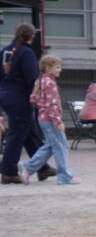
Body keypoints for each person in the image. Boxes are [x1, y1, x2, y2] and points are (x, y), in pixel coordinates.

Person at [0, 23, 55, 184]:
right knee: (16, 135)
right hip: (21, 98)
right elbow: (32, 79)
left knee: (30, 134)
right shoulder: (26, 53)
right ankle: (8, 171)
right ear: (32, 36)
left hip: (5, 95)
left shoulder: (4, 51)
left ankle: (42, 168)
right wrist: (41, 99)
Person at [18, 54, 80, 185]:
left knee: (52, 145)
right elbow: (51, 104)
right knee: (61, 146)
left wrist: (43, 108)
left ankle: (28, 168)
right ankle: (64, 176)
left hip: (43, 118)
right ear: (47, 68)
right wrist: (58, 121)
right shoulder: (50, 83)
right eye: (57, 67)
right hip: (51, 120)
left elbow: (33, 99)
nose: (60, 69)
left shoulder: (40, 81)